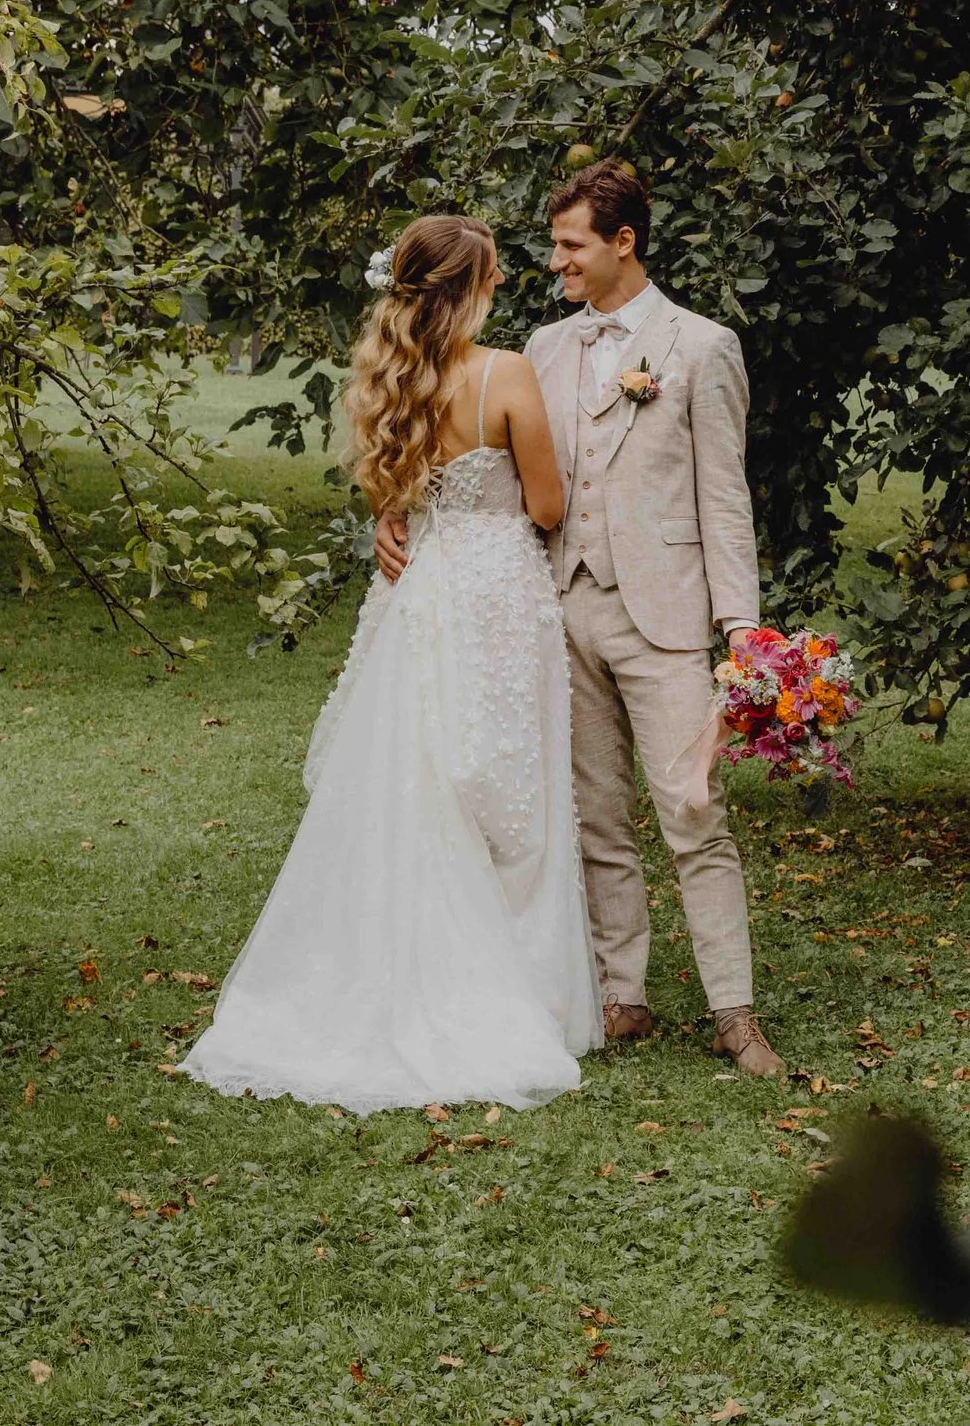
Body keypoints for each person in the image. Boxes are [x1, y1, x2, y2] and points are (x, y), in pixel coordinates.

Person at [181, 215, 601, 1112]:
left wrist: (403, 516)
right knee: (507, 779)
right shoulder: (506, 373)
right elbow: (547, 501)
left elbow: (392, 495)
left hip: (420, 591)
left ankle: (397, 964)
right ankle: (513, 987)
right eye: (492, 274)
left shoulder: (389, 377)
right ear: (473, 285)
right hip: (495, 589)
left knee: (419, 774)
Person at [376, 162, 784, 1078]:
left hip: (667, 618)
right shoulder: (544, 348)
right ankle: (621, 994)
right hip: (557, 611)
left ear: (622, 243)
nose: (554, 260)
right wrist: (396, 509)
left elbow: (725, 500)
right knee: (595, 814)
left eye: (569, 245)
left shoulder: (702, 346)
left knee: (694, 811)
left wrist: (742, 632)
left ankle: (734, 1010)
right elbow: (480, 461)